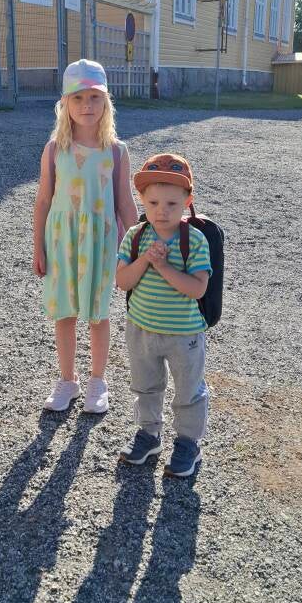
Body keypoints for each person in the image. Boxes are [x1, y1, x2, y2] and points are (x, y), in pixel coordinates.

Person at [33, 59, 138, 414]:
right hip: (62, 242)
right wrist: (38, 247)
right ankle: (68, 380)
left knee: (97, 313)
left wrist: (137, 248)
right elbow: (43, 201)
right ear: (65, 103)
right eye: (77, 98)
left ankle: (97, 381)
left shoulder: (117, 151)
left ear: (106, 102)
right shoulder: (54, 149)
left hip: (101, 243)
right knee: (64, 313)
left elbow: (125, 203)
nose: (86, 106)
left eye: (94, 97)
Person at [116, 153, 211, 477]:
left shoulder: (194, 239)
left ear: (187, 202)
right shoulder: (136, 235)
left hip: (184, 334)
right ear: (141, 199)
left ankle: (188, 443)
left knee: (188, 391)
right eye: (153, 202)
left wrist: (163, 266)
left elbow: (197, 289)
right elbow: (122, 281)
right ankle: (148, 434)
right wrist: (145, 259)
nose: (162, 211)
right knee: (145, 386)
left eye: (172, 203)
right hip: (141, 328)